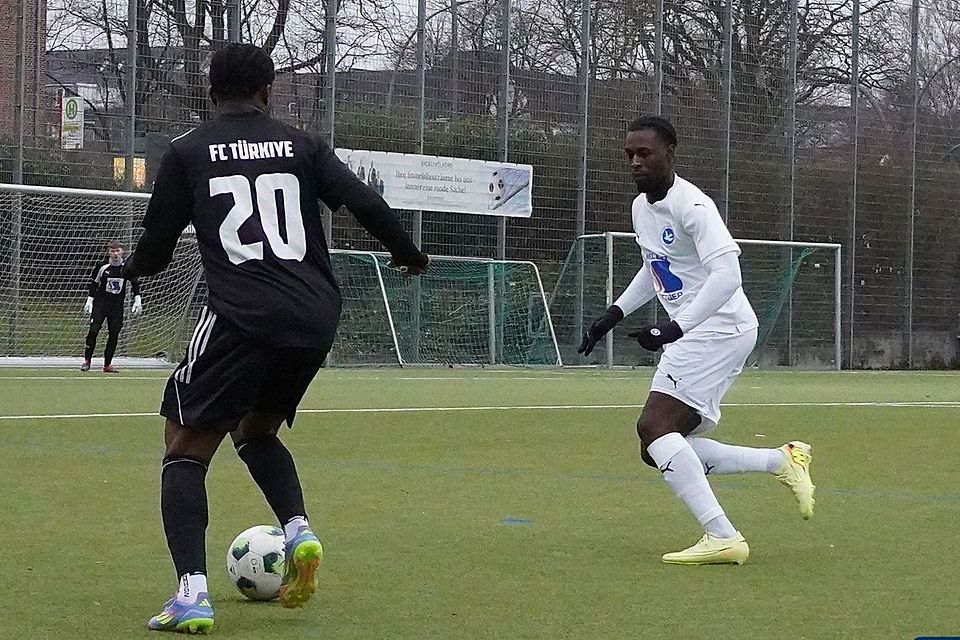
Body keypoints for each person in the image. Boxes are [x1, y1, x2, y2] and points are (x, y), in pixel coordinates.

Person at [122, 43, 429, 633]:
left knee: (184, 448)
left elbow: (156, 253)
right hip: (314, 317)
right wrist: (408, 253)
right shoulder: (302, 144)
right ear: (268, 92)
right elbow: (363, 200)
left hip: (243, 316)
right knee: (255, 430)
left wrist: (128, 269)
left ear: (210, 93)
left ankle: (191, 594)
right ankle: (297, 530)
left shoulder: (187, 152)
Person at [578, 115, 815, 566]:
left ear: (670, 153)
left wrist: (675, 328)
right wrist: (613, 314)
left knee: (654, 429)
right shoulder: (641, 208)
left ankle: (723, 536)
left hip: (718, 330)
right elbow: (656, 268)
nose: (635, 161)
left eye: (644, 153)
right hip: (704, 332)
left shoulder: (694, 206)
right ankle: (780, 461)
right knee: (660, 448)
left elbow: (728, 273)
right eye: (629, 154)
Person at [81, 240, 142, 373]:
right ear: (108, 252)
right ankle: (87, 361)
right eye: (112, 251)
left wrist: (137, 299)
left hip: (117, 306)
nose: (115, 254)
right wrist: (89, 300)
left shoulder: (127, 267)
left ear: (122, 252)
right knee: (93, 330)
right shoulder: (102, 267)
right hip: (101, 304)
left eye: (117, 251)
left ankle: (107, 364)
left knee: (114, 334)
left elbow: (134, 283)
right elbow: (94, 284)